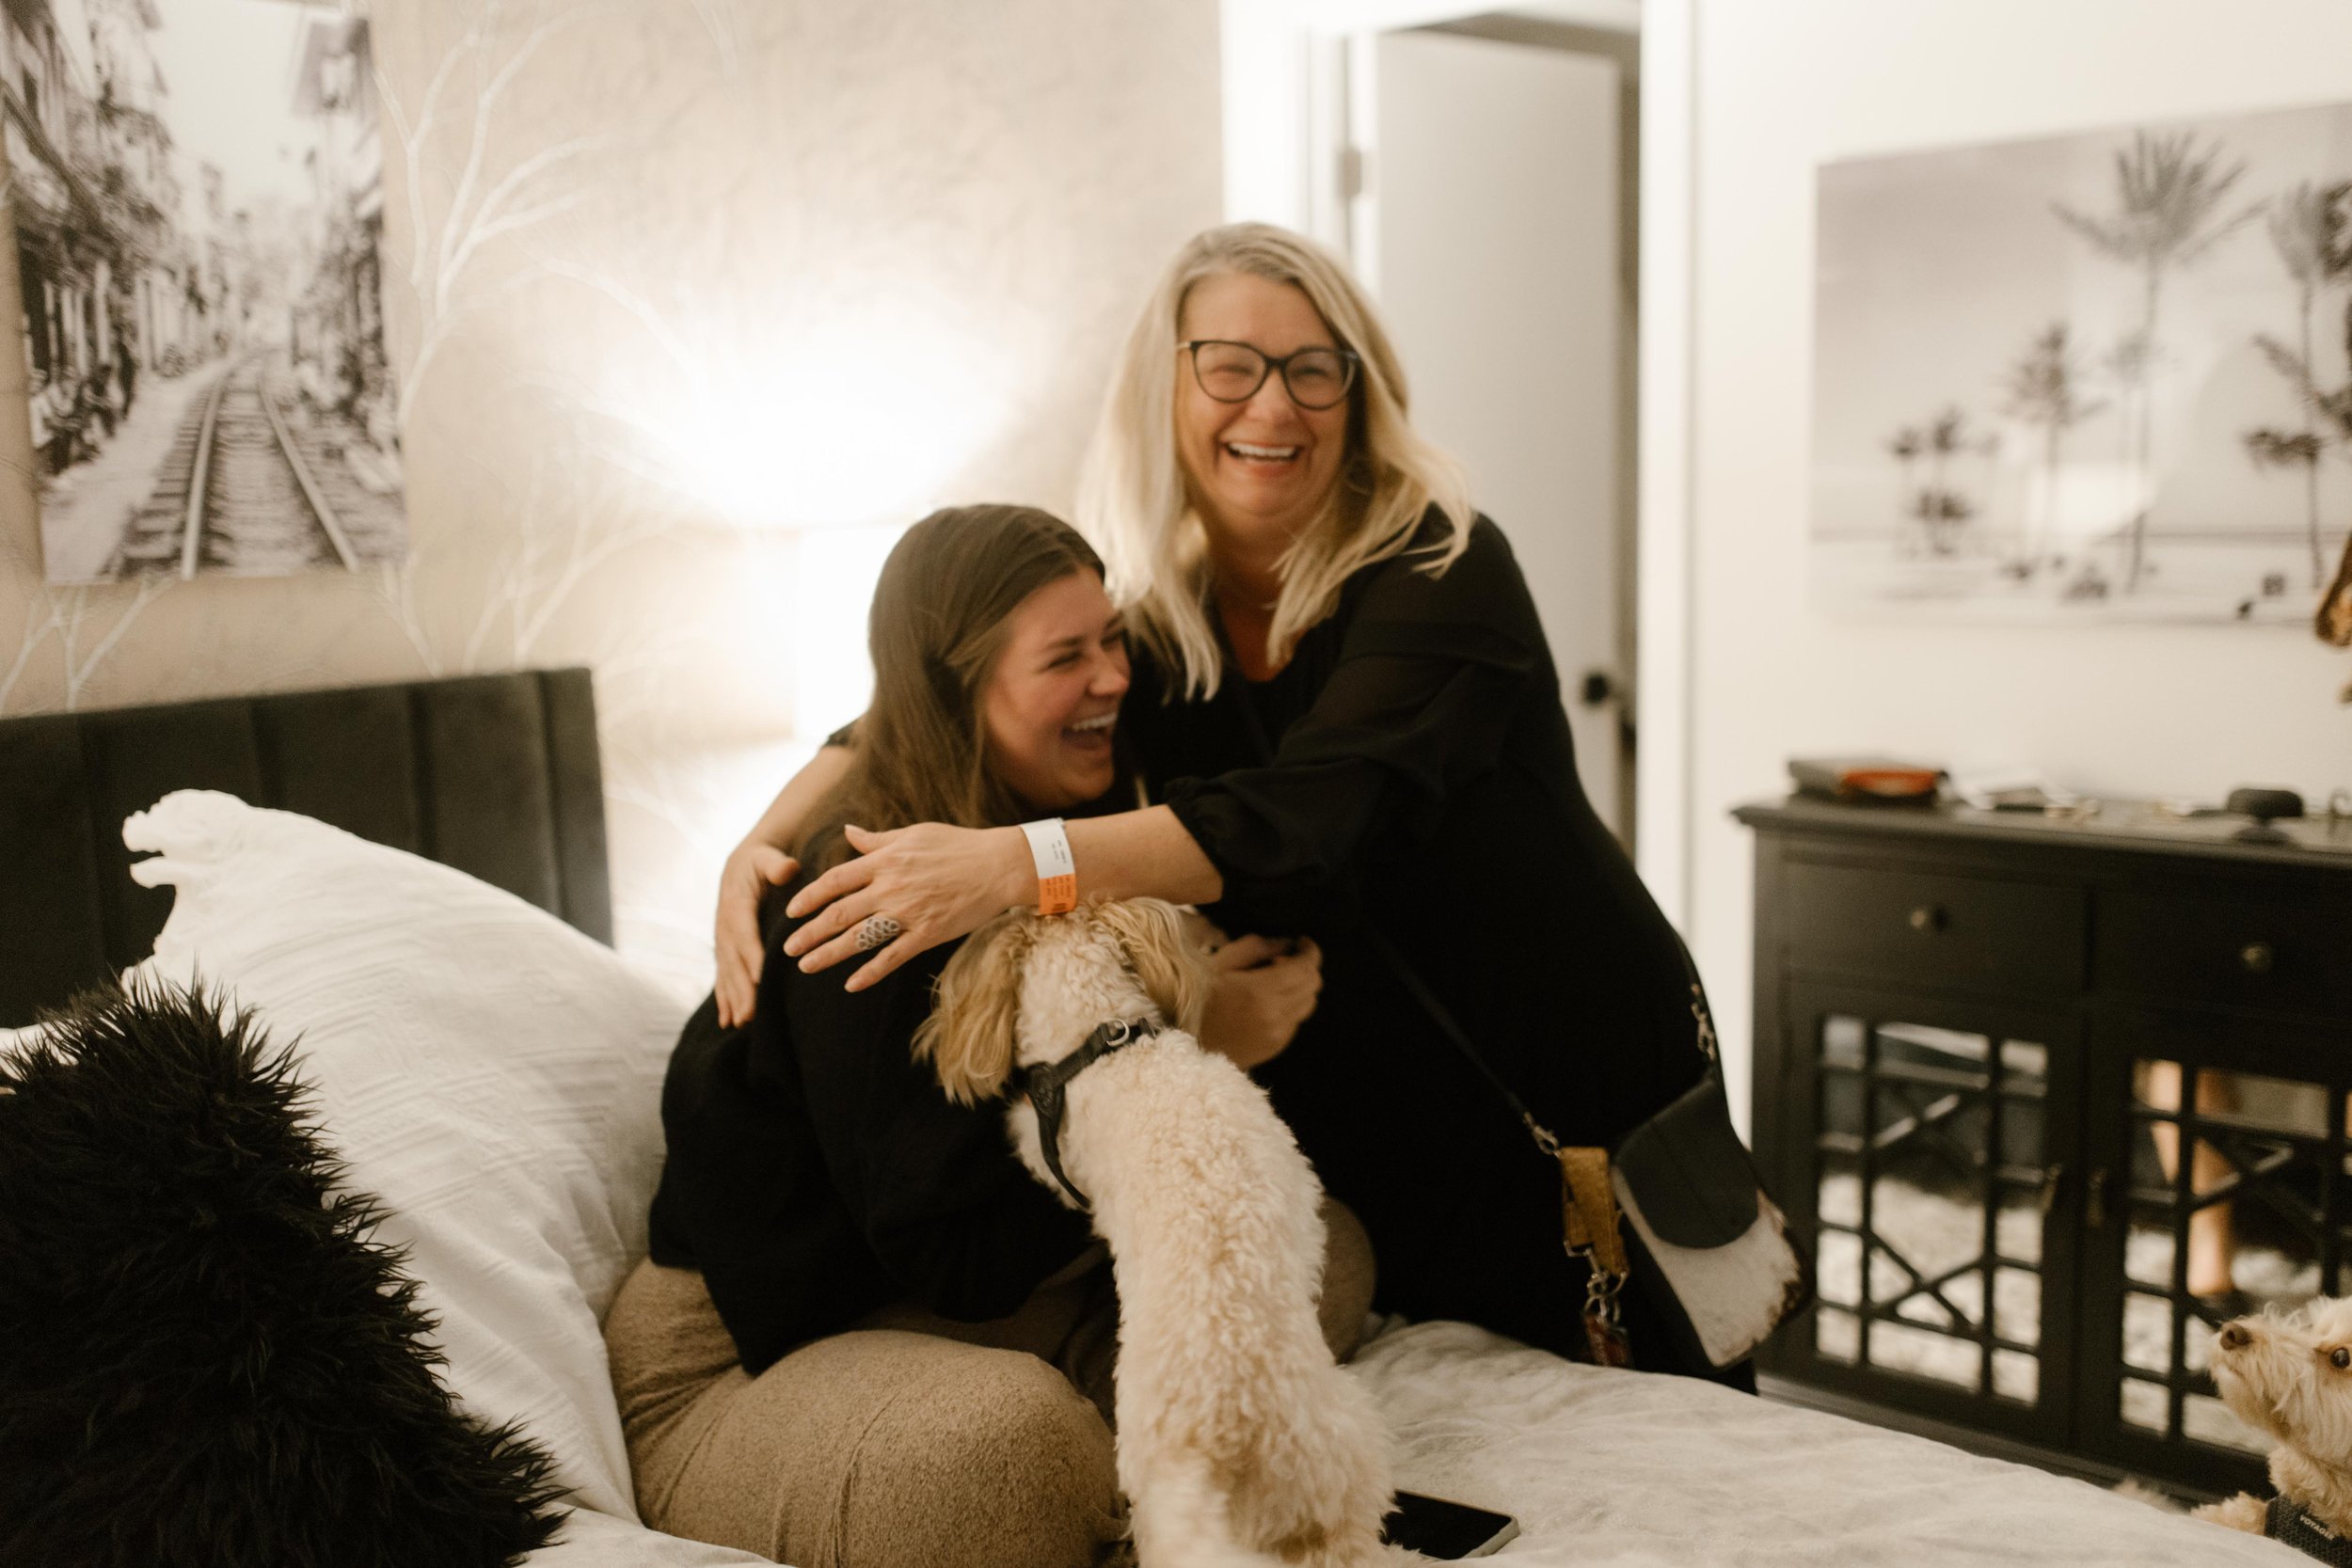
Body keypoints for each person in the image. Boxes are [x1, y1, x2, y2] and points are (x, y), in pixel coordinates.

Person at [604, 504, 1363, 1568]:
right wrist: (1200, 1041)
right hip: (759, 1341)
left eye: (1112, 641)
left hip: (959, 1289)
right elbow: (951, 1251)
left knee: (1312, 1258)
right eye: (1068, 656)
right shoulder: (857, 902)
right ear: (959, 690)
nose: (1113, 676)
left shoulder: (1048, 806)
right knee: (1014, 1455)